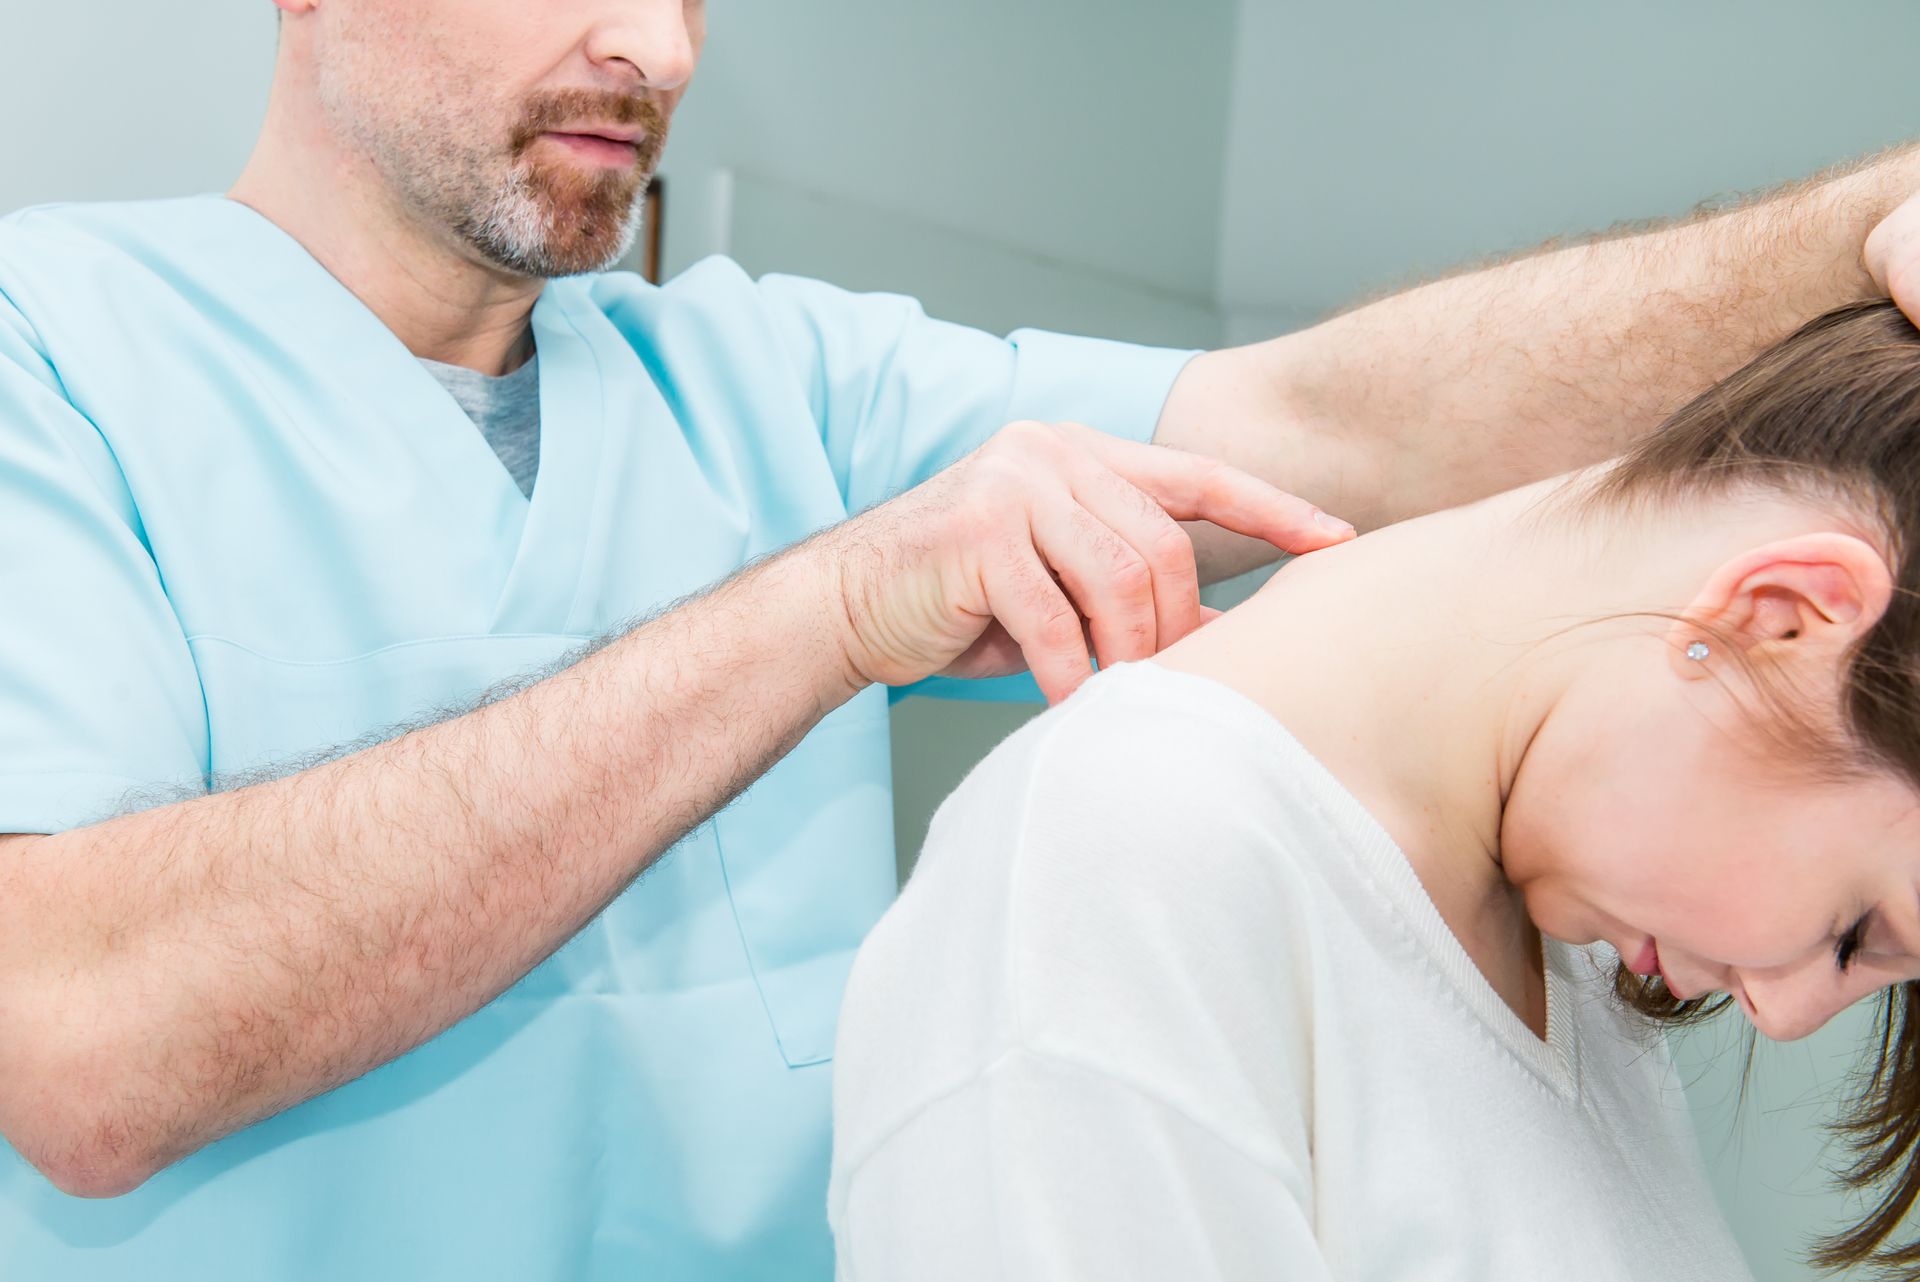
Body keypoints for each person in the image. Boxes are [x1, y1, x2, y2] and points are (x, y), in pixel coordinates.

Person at [3, 1, 1920, 1277]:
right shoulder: (52, 355)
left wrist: (1866, 225)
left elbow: (1342, 431)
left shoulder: (768, 382)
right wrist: (826, 613)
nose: (655, 46)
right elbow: (83, 1051)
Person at [828, 299, 1920, 1280]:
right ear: (1783, 619)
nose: (1787, 1014)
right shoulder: (1128, 862)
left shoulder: (1576, 947)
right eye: (1853, 930)